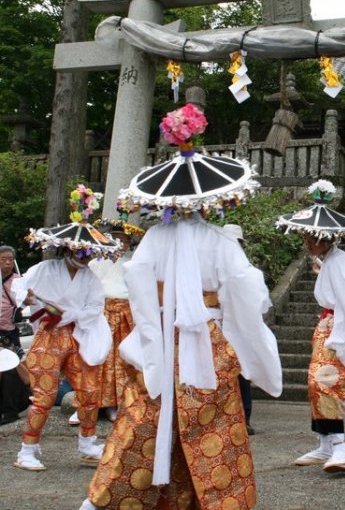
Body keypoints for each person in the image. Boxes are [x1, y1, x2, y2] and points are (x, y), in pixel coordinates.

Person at [80, 103, 282, 510]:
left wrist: (150, 329)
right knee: (214, 426)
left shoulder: (154, 239)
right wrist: (251, 341)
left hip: (157, 338)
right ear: (210, 198)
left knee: (142, 423)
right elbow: (248, 297)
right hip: (205, 341)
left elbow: (138, 286)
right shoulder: (221, 240)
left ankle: (104, 501)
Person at [276, 179, 345, 473]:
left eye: (311, 238)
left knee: (325, 383)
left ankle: (340, 448)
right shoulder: (332, 261)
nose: (307, 242)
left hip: (339, 328)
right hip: (328, 326)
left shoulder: (340, 261)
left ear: (325, 239)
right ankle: (325, 444)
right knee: (316, 383)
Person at [12, 185, 121, 471]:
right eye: (81, 250)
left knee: (89, 392)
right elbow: (19, 287)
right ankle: (27, 449)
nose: (85, 256)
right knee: (44, 396)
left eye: (88, 252)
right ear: (69, 248)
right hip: (49, 336)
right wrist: (29, 298)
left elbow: (95, 308)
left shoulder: (90, 279)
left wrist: (70, 313)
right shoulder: (46, 269)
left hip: (78, 335)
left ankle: (87, 445)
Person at [89, 219, 145, 424]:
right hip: (104, 314)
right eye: (117, 238)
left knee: (127, 360)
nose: (122, 243)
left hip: (129, 314)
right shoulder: (97, 262)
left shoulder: (135, 263)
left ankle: (125, 401)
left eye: (125, 239)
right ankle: (102, 403)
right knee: (103, 359)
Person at [222, 222, 264, 436]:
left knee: (241, 373)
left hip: (239, 327)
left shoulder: (249, 272)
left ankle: (244, 416)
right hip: (221, 326)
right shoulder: (218, 267)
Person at [0, 245, 31, 425]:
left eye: (10, 259)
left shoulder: (18, 280)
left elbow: (25, 300)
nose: (7, 262)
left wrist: (28, 298)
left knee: (11, 369)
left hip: (8, 332)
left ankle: (10, 411)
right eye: (3, 259)